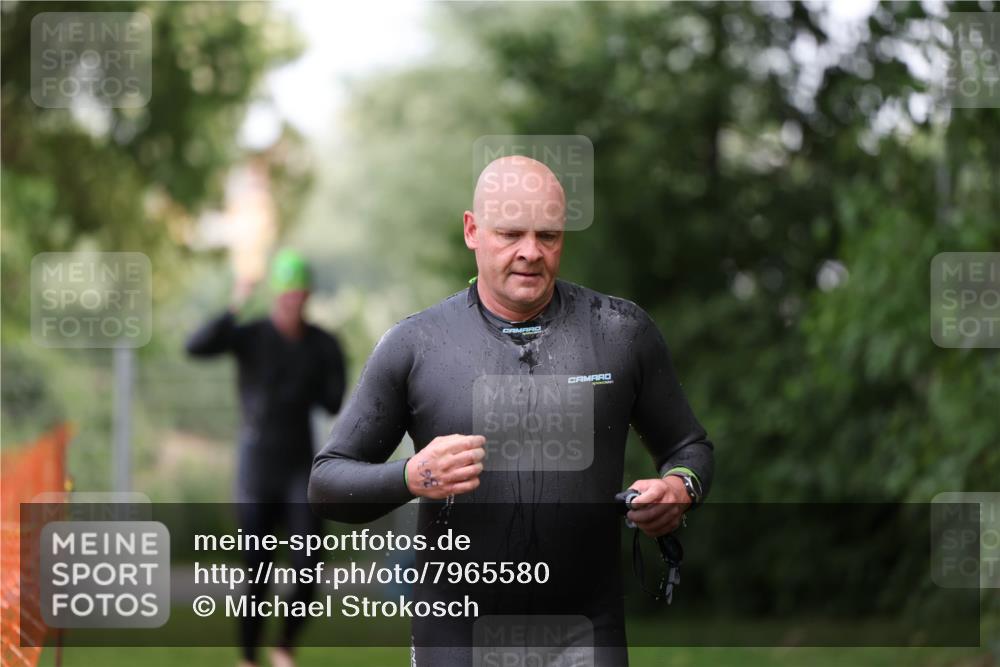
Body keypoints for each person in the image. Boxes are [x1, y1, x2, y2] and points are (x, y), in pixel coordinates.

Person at [309, 156, 714, 666]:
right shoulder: (417, 345)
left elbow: (688, 447)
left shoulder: (618, 332)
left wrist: (679, 488)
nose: (531, 252)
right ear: (472, 231)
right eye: (510, 234)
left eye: (548, 235)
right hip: (457, 635)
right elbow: (326, 485)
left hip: (587, 632)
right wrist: (411, 476)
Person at [186, 249, 346, 667]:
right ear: (276, 296)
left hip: (300, 468)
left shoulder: (323, 344)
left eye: (300, 295)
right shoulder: (252, 336)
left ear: (307, 296)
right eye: (286, 295)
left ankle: (285, 646)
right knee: (257, 572)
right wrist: (236, 302)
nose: (293, 303)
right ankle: (249, 658)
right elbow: (197, 346)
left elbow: (334, 400)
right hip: (257, 469)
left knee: (309, 567)